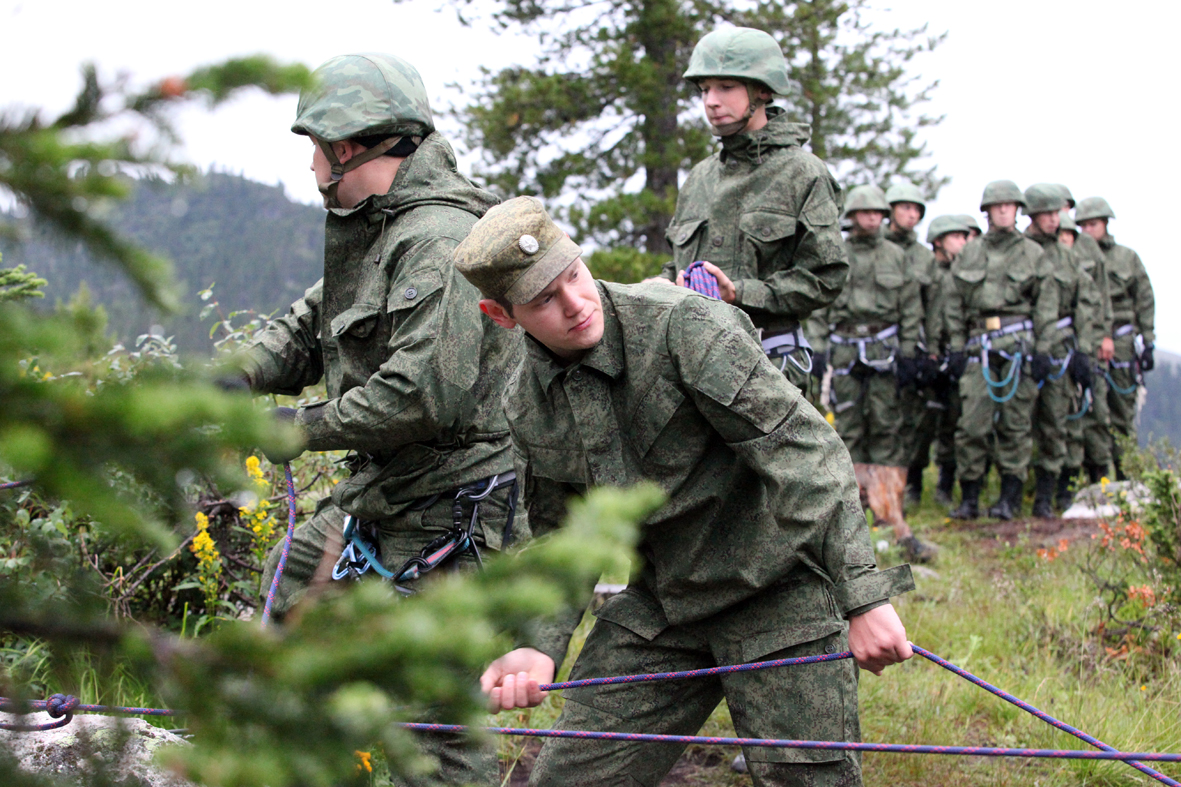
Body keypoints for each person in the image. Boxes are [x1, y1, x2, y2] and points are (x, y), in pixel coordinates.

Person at [457, 196, 914, 787]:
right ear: (501, 315)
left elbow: (807, 455)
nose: (575, 304)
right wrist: (536, 645)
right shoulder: (526, 402)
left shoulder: (682, 326)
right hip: (665, 609)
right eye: (544, 299)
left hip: (779, 593)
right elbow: (565, 539)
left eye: (573, 275)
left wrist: (864, 597)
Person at [226, 53, 518, 786]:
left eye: (314, 148)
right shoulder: (373, 228)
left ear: (346, 147)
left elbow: (422, 396)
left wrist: (294, 430)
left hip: (448, 509)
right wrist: (224, 383)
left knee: (428, 726)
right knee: (290, 591)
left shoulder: (434, 240)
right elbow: (304, 330)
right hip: (379, 498)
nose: (311, 166)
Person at [659, 27, 848, 396]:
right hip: (692, 372)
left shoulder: (802, 173)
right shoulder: (699, 178)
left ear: (762, 90)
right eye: (704, 90)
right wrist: (664, 284)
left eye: (726, 87)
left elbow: (825, 277)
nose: (711, 101)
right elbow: (677, 262)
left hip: (770, 371)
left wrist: (740, 293)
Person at [812, 185, 931, 561]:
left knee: (887, 430)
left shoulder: (897, 256)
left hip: (885, 354)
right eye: (864, 213)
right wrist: (816, 349)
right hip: (845, 353)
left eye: (877, 212)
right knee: (847, 431)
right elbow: (819, 305)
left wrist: (910, 354)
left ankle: (888, 513)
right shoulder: (837, 256)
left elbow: (911, 307)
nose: (871, 218)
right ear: (851, 216)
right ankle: (851, 514)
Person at [945, 181, 1058, 520]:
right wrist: (955, 347)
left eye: (1010, 205)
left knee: (1016, 424)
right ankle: (969, 499)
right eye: (998, 205)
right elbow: (952, 303)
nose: (1005, 210)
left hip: (1018, 346)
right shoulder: (971, 252)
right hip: (978, 346)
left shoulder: (1033, 254)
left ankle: (1008, 499)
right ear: (988, 211)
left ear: (1019, 210)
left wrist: (1043, 350)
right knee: (972, 425)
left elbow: (1046, 305)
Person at [1022, 184, 1099, 517]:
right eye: (1049, 213)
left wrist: (1084, 351)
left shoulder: (1069, 256)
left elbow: (1086, 305)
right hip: (1020, 349)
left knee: (1057, 421)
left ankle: (1047, 496)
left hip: (1059, 351)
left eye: (1058, 213)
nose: (1055, 220)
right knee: (1016, 424)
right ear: (1034, 214)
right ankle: (1008, 496)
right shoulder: (1019, 251)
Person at [1076, 196, 1156, 478]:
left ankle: (1127, 475)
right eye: (1082, 225)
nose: (1088, 230)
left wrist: (1148, 341)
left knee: (1122, 411)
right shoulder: (1074, 257)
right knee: (1091, 409)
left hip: (1121, 342)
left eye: (1093, 224)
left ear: (1105, 224)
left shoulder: (1126, 257)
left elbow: (1144, 299)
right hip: (1086, 342)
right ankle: (1096, 476)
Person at [1056, 187, 1116, 492]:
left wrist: (1102, 336)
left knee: (1094, 410)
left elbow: (1100, 299)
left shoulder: (1088, 252)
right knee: (1060, 414)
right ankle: (1061, 484)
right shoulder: (1038, 248)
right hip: (1054, 344)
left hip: (1087, 343)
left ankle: (1099, 479)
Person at [884, 182, 939, 503]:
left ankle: (912, 484)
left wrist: (932, 352)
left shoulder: (924, 258)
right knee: (881, 420)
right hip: (872, 344)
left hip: (912, 346)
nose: (911, 214)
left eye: (916, 210)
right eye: (905, 207)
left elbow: (934, 308)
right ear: (890, 210)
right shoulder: (875, 250)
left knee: (915, 418)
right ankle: (876, 489)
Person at [924, 215, 973, 505]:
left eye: (965, 237)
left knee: (956, 419)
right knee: (924, 421)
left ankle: (946, 483)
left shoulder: (967, 273)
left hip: (959, 353)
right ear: (939, 241)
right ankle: (913, 487)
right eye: (956, 237)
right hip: (929, 354)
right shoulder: (928, 273)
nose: (963, 242)